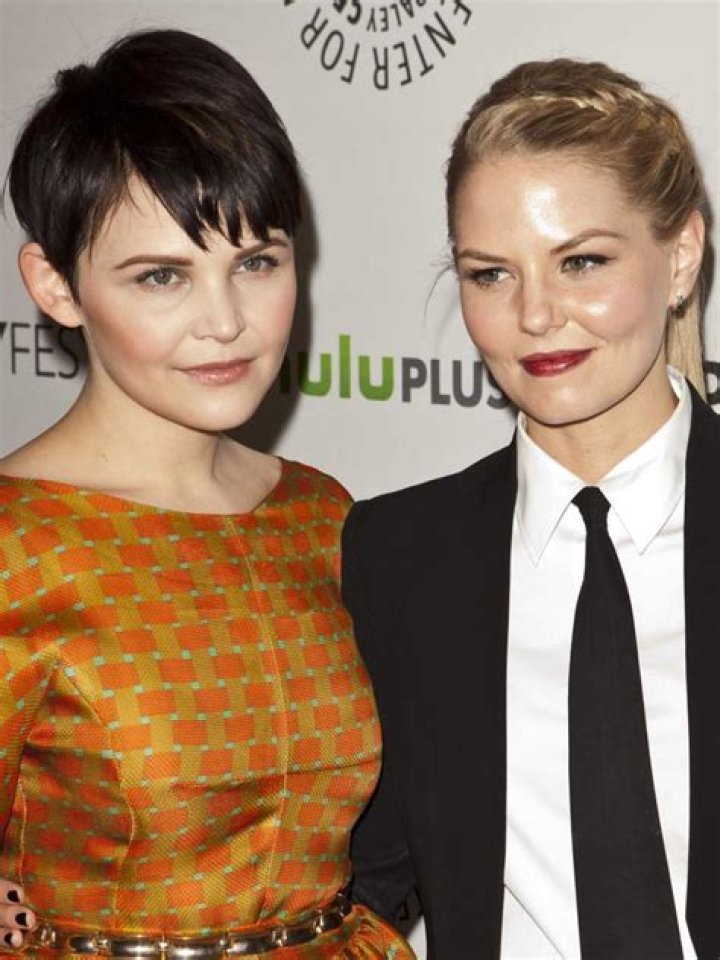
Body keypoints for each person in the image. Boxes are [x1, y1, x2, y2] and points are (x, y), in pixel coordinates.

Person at [0, 28, 414, 959]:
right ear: (55, 286)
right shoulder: (15, 541)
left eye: (257, 261)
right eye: (162, 276)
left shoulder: (322, 514)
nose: (225, 322)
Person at [342, 59, 715, 958]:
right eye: (490, 275)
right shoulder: (399, 558)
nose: (536, 315)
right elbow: (355, 888)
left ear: (680, 256)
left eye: (581, 261)